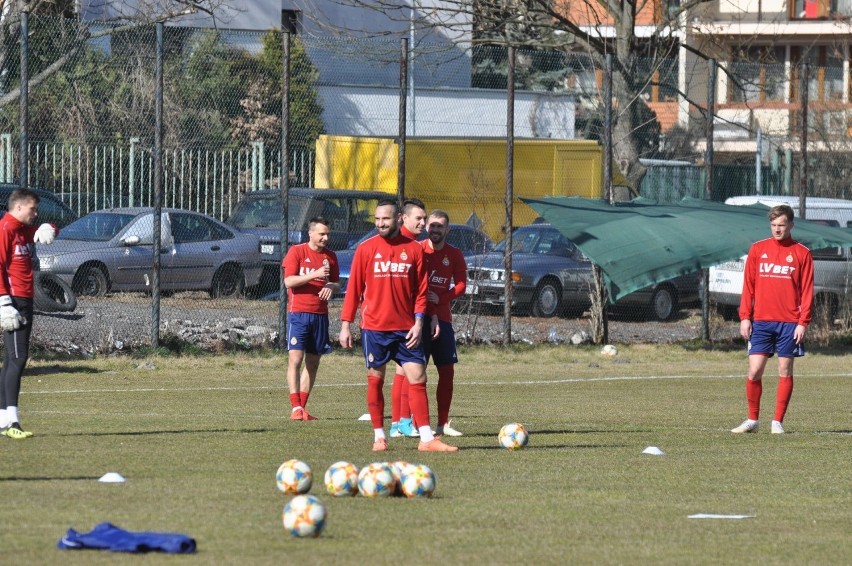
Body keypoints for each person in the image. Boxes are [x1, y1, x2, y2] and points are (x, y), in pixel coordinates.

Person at [339, 199, 458, 452]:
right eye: (377, 219)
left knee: (418, 376)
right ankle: (379, 436)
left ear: (398, 219)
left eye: (386, 219)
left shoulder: (414, 250)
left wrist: (418, 322)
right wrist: (346, 324)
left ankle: (426, 440)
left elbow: (421, 292)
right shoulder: (366, 249)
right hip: (375, 328)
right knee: (376, 379)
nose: (381, 223)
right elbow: (354, 290)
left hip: (407, 329)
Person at [732, 204, 813, 435]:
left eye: (782, 225)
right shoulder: (758, 250)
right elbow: (748, 286)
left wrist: (803, 322)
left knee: (784, 370)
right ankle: (752, 420)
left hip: (789, 322)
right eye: (774, 225)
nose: (777, 229)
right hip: (762, 322)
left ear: (791, 225)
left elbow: (807, 290)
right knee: (754, 371)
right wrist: (745, 317)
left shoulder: (802, 253)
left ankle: (777, 421)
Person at [0, 188, 59, 439]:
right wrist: (3, 302)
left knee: (10, 359)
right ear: (19, 207)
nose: (36, 213)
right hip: (13, 301)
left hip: (24, 299)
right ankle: (12, 421)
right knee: (18, 357)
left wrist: (51, 227)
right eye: (33, 209)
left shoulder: (24, 230)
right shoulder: (6, 228)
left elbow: (50, 228)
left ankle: (3, 419)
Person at [282, 216, 340, 421]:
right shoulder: (297, 252)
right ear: (311, 233)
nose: (325, 238)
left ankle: (302, 409)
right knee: (295, 359)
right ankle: (295, 406)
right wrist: (314, 274)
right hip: (299, 314)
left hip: (321, 316)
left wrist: (330, 287)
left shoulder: (331, 257)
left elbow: (337, 283)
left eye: (328, 234)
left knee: (313, 363)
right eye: (322, 234)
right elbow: (289, 281)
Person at [421, 210, 467, 437]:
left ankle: (442, 424)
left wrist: (442, 298)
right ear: (426, 227)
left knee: (446, 372)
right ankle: (413, 423)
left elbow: (461, 286)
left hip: (444, 321)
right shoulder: (418, 251)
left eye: (440, 226)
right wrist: (429, 308)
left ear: (447, 229)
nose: (436, 230)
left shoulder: (455, 254)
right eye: (432, 225)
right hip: (419, 319)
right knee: (415, 372)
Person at [388, 198, 428, 439]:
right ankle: (401, 422)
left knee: (403, 371)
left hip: (409, 316)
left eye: (425, 219)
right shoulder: (401, 244)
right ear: (403, 218)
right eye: (419, 218)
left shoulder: (415, 244)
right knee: (407, 371)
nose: (423, 223)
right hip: (399, 319)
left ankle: (397, 424)